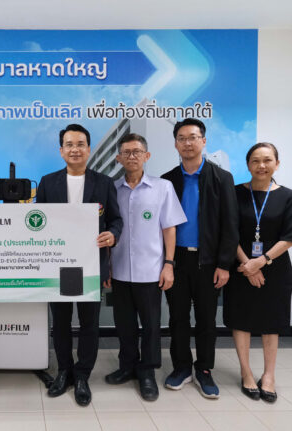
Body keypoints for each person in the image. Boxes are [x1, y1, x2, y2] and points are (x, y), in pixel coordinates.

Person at [36, 123, 122, 406]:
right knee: (60, 323)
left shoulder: (104, 182)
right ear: (61, 150)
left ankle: (82, 375)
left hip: (91, 266)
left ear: (88, 149)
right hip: (56, 266)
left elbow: (115, 220)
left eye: (80, 144)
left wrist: (113, 235)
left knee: (89, 324)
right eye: (69, 144)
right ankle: (64, 371)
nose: (75, 149)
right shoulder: (47, 183)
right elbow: (36, 223)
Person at [161, 118, 239, 399]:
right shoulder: (168, 180)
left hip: (209, 262)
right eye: (181, 138)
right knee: (178, 318)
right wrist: (166, 263)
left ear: (203, 141)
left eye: (193, 137)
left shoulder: (221, 178)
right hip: (177, 260)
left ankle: (204, 369)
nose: (188, 143)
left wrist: (224, 264)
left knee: (206, 319)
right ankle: (181, 367)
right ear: (175, 144)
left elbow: (231, 225)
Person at [105, 133, 186, 401]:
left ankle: (147, 371)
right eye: (126, 152)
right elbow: (106, 229)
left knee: (151, 325)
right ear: (118, 158)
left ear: (146, 156)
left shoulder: (162, 187)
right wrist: (106, 267)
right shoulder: (112, 189)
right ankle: (127, 366)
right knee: (124, 324)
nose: (132, 156)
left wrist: (169, 264)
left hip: (151, 271)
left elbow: (169, 229)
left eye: (137, 152)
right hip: (119, 270)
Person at [224, 143, 292, 403]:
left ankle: (269, 376)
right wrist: (247, 264)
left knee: (271, 322)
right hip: (240, 265)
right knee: (241, 319)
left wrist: (261, 261)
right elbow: (228, 231)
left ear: (277, 163)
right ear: (248, 164)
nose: (261, 165)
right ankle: (246, 372)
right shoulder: (234, 193)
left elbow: (289, 236)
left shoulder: (287, 196)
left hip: (275, 267)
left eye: (267, 160)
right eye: (255, 160)